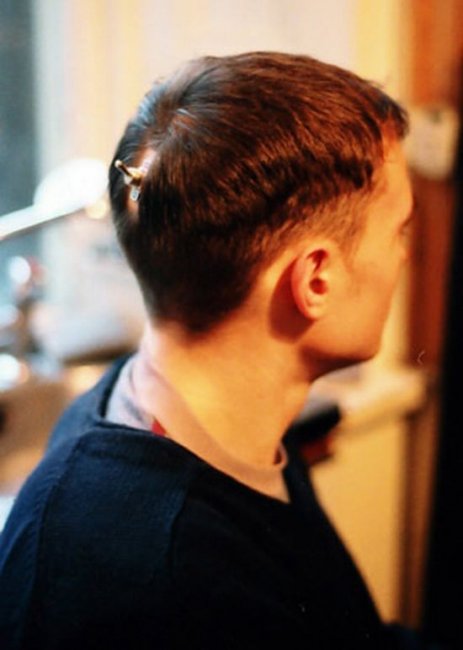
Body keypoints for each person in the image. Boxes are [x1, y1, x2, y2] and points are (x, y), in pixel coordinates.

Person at [0, 52, 425, 649]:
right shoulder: (150, 584)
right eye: (399, 230)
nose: (405, 255)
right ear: (316, 280)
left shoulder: (226, 426)